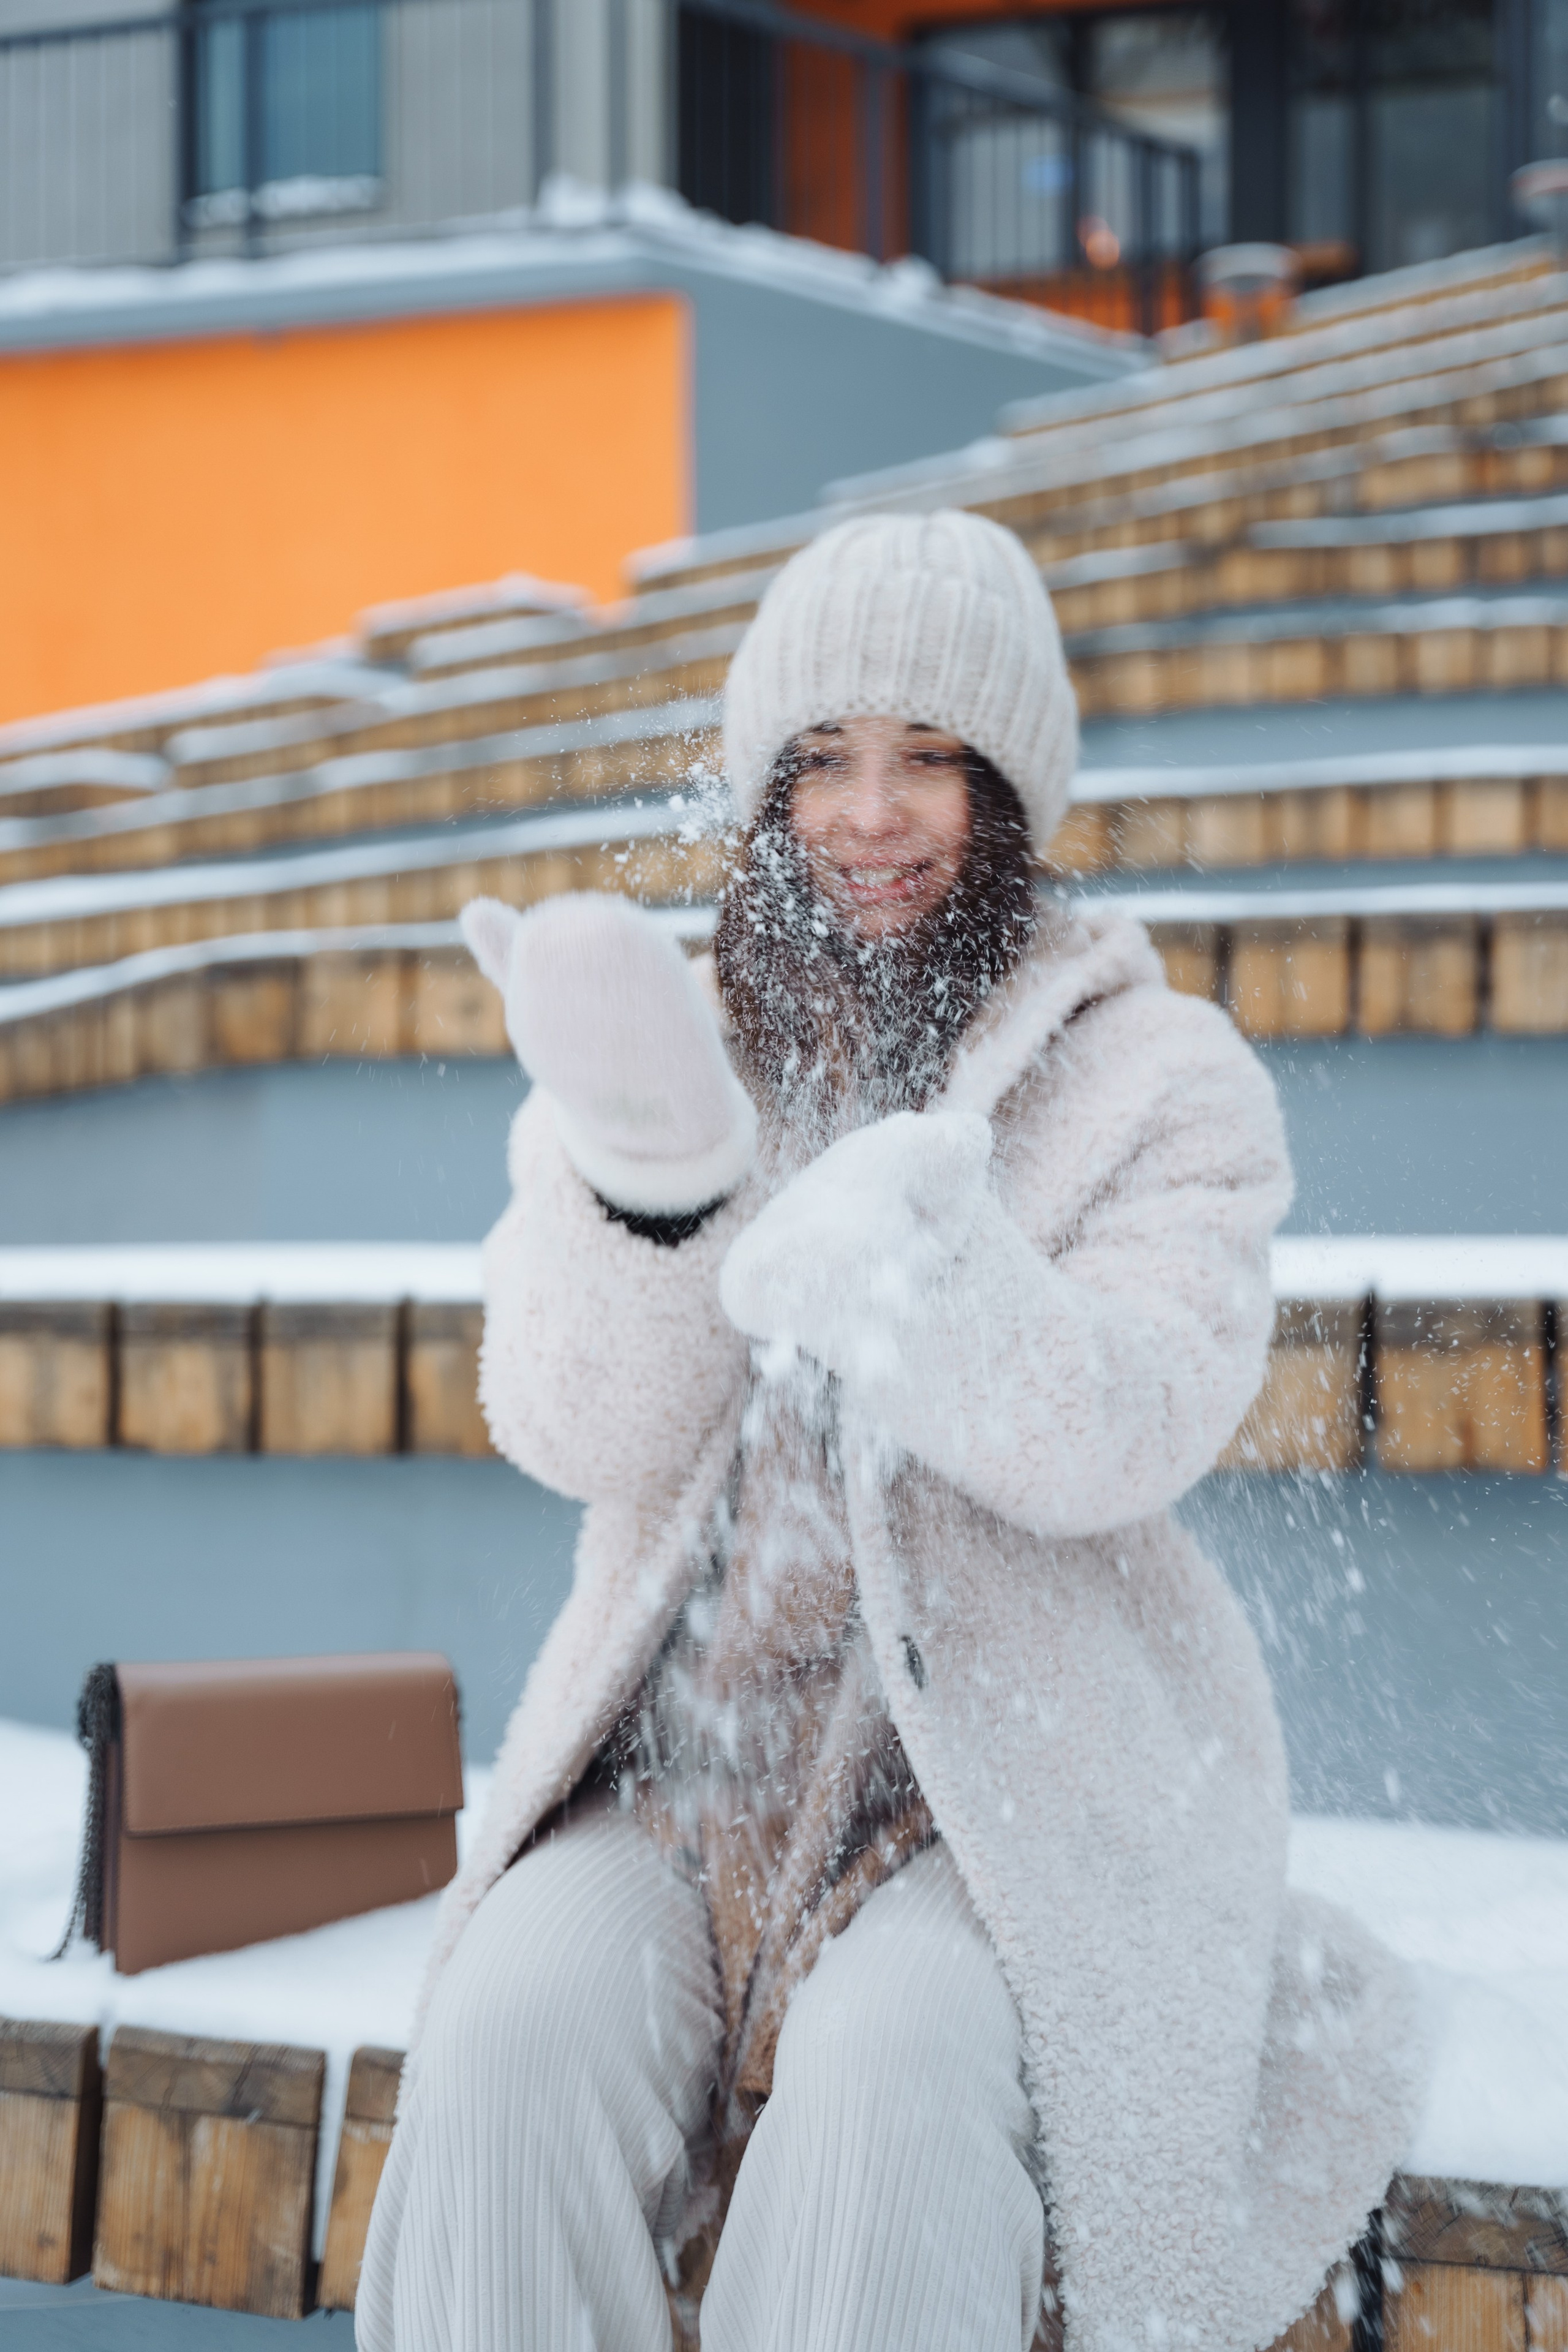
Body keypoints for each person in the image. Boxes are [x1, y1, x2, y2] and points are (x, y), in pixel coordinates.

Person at [356, 511, 1422, 2352]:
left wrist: (927, 1281)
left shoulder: (1163, 1082)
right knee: (507, 2044)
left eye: (929, 758)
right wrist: (655, 1192)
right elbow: (567, 1426)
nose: (869, 813)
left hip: (1008, 1799)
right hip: (688, 1779)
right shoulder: (669, 1039)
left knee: (885, 2113)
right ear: (765, 788)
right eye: (824, 759)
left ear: (1008, 791)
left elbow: (1136, 1419)